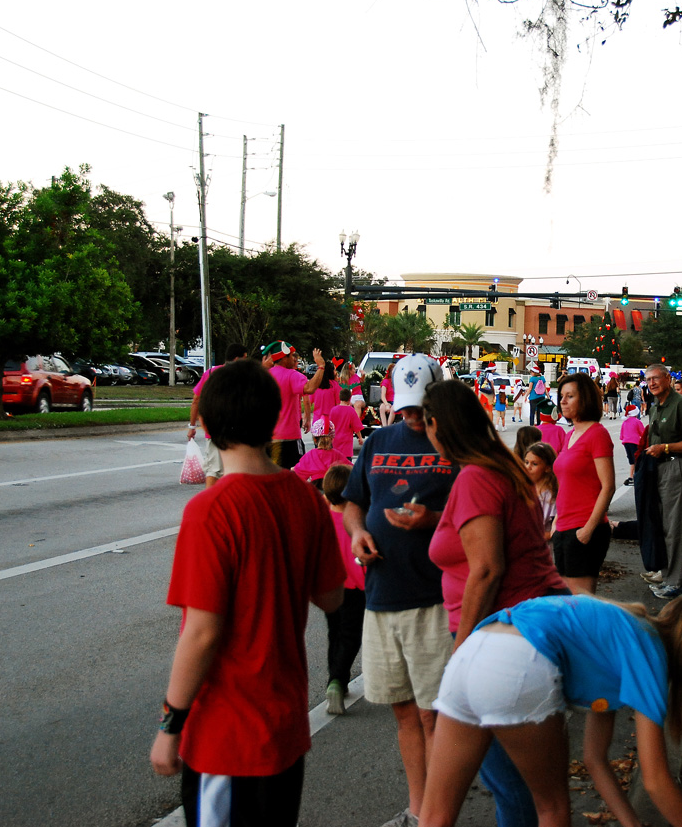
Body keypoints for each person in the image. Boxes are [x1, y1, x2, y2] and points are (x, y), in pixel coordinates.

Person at [149, 358, 345, 827]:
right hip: (285, 725)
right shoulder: (306, 498)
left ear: (210, 423)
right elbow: (333, 598)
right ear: (273, 415)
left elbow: (201, 632)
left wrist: (171, 724)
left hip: (225, 734)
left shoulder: (210, 511)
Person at [418, 594, 682, 827]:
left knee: (435, 816)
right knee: (551, 810)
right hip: (519, 661)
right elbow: (656, 780)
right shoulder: (650, 648)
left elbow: (595, 759)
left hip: (473, 651)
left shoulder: (623, 635)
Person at [423, 378, 570, 827]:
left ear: (437, 425)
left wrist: (462, 651)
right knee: (512, 786)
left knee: (515, 789)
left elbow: (487, 569)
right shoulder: (498, 469)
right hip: (518, 633)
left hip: (501, 640)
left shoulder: (475, 476)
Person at [342, 354, 457, 827]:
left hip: (432, 600)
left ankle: (437, 814)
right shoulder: (377, 442)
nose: (411, 417)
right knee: (405, 713)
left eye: (419, 408)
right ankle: (417, 808)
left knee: (435, 717)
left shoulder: (453, 447)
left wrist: (431, 520)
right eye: (405, 407)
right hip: (381, 597)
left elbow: (476, 516)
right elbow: (353, 502)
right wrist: (357, 534)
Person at [642, 364, 682, 601]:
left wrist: (665, 447)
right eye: (648, 380)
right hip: (657, 468)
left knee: (675, 525)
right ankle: (667, 575)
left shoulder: (681, 404)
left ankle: (677, 581)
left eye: (656, 379)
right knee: (663, 525)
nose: (652, 383)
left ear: (668, 379)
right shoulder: (656, 406)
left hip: (677, 466)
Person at [553, 372, 617, 595]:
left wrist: (588, 529)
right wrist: (555, 523)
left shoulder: (597, 434)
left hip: (583, 527)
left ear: (586, 399)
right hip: (563, 528)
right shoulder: (569, 434)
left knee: (581, 603)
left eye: (570, 396)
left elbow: (608, 486)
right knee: (564, 601)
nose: (563, 401)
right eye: (562, 395)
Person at [320, 462, 366, 716]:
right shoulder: (358, 522)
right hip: (354, 588)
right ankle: (337, 679)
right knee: (350, 634)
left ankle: (336, 678)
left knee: (334, 632)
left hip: (330, 585)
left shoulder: (323, 519)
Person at [188, 342, 249, 488]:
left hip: (214, 430)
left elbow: (196, 399)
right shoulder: (242, 377)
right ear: (236, 359)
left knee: (214, 470)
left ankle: (212, 501)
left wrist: (192, 426)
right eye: (245, 358)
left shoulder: (210, 373)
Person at [262, 341, 316, 469]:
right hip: (289, 437)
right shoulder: (292, 375)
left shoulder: (262, 376)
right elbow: (309, 389)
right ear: (284, 357)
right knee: (295, 475)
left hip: (268, 438)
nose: (294, 359)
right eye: (292, 356)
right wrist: (321, 367)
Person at [291, 419, 350, 488]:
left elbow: (298, 471)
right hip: (333, 490)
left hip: (316, 492)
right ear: (332, 439)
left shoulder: (311, 455)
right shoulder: (337, 455)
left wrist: (293, 469)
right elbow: (350, 469)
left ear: (315, 439)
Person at [523, 442, 559, 540]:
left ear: (547, 468)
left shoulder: (551, 496)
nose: (528, 467)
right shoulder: (522, 489)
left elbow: (554, 531)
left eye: (534, 464)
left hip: (540, 547)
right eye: (526, 462)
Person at [329, 388, 366, 460]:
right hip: (346, 444)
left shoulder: (333, 410)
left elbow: (329, 426)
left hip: (335, 441)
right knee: (346, 464)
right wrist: (360, 438)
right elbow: (356, 427)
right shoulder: (351, 411)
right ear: (350, 398)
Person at [619, 404, 645, 487]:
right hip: (635, 442)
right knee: (637, 459)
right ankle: (637, 475)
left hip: (626, 442)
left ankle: (631, 476)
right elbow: (643, 433)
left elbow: (621, 435)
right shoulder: (637, 422)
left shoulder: (625, 422)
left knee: (631, 460)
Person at [380, 362, 397, 427]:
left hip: (395, 402)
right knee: (382, 407)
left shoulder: (398, 382)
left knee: (393, 408)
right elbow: (383, 396)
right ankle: (384, 426)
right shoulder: (386, 381)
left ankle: (388, 426)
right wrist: (387, 404)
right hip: (387, 401)